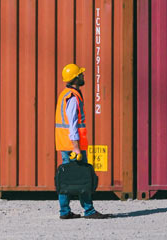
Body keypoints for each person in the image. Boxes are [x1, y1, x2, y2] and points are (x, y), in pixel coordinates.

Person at [56, 63, 111, 219]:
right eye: (81, 74)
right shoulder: (72, 97)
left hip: (64, 143)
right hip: (72, 145)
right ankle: (89, 210)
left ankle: (65, 211)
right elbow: (72, 123)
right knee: (82, 176)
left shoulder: (65, 94)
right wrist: (76, 148)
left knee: (66, 178)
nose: (83, 76)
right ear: (75, 78)